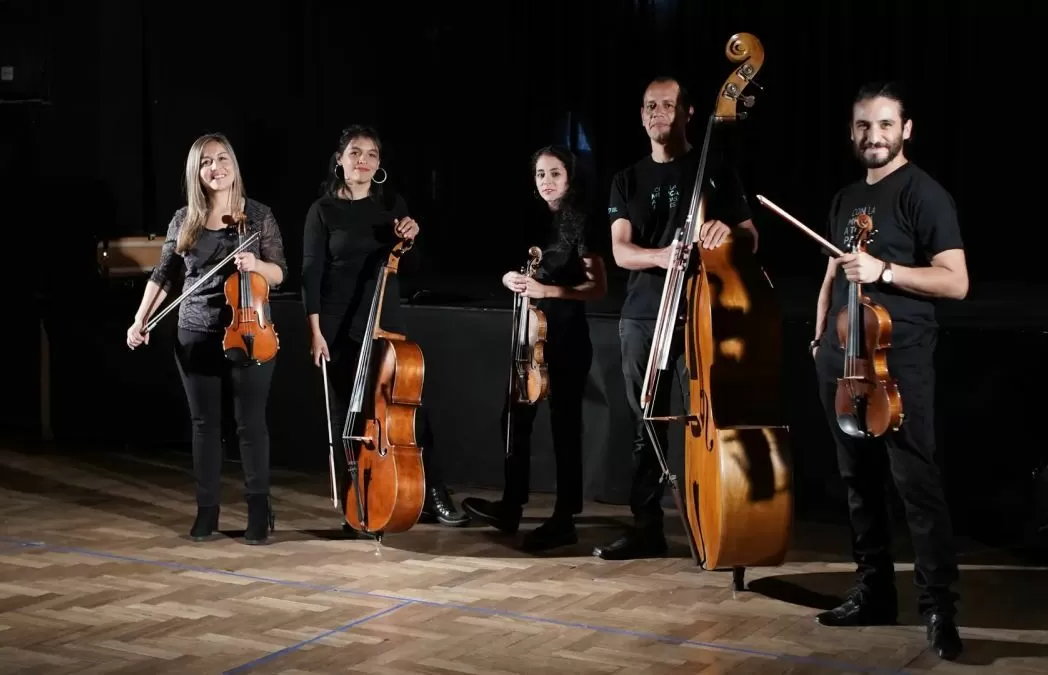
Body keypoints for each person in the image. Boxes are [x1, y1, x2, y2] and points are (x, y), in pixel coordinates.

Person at [810, 81, 967, 661]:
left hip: (899, 359)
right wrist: (818, 337)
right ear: (851, 133)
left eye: (884, 124)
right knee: (857, 481)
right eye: (863, 125)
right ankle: (874, 591)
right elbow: (833, 272)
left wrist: (885, 272)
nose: (873, 135)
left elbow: (956, 281)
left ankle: (939, 608)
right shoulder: (846, 198)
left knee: (916, 486)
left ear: (906, 130)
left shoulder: (925, 194)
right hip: (844, 356)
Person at [599, 76, 759, 561]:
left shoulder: (714, 170)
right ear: (641, 115)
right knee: (645, 423)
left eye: (668, 105)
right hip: (643, 315)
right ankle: (646, 527)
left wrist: (725, 230)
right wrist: (663, 256)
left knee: (700, 421)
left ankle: (709, 517)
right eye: (650, 106)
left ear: (689, 113)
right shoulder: (626, 179)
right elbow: (621, 251)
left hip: (701, 310)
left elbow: (750, 236)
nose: (657, 113)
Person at [301, 124, 468, 530]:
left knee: (409, 412)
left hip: (385, 320)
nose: (363, 160)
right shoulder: (322, 210)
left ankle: (433, 493)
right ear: (340, 160)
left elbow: (412, 267)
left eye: (372, 154)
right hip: (338, 325)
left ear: (379, 165)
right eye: (355, 153)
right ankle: (357, 502)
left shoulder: (392, 206)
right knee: (351, 417)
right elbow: (311, 272)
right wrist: (315, 330)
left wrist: (412, 238)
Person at [126, 133, 287, 546]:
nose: (216, 167)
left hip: (250, 330)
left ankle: (258, 510)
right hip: (195, 331)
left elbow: (280, 273)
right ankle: (207, 510)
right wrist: (140, 319)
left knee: (250, 424)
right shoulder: (185, 219)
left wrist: (257, 265)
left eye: (222, 158)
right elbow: (164, 275)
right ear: (196, 172)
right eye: (206, 162)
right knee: (204, 426)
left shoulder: (258, 215)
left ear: (233, 163)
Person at [461, 145, 607, 551]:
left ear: (570, 177)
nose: (547, 181)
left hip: (567, 337)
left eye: (555, 173)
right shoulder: (532, 220)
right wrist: (509, 278)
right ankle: (511, 506)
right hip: (530, 338)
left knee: (564, 428)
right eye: (541, 174)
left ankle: (565, 518)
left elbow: (597, 288)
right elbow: (521, 268)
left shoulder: (582, 222)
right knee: (515, 420)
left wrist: (549, 291)